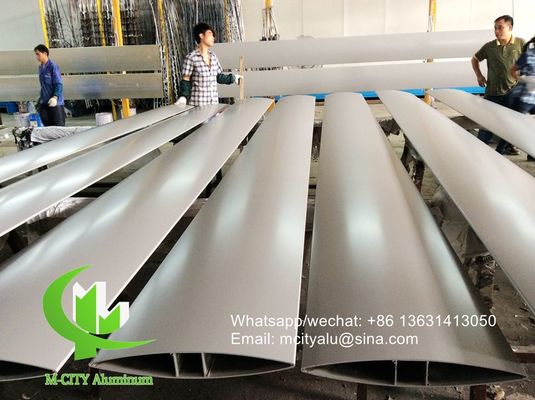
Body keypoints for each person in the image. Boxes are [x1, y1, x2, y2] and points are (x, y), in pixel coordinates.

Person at [471, 15, 525, 155]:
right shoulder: (489, 47)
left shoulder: (520, 44)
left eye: (500, 27)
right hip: (492, 93)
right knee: (486, 127)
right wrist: (479, 75)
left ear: (510, 27)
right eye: (495, 28)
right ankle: (478, 152)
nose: (496, 31)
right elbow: (475, 59)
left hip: (512, 92)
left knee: (511, 124)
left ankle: (508, 146)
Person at [176, 23, 242, 106]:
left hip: (213, 105)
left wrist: (233, 78)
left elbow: (218, 77)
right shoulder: (191, 58)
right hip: (198, 105)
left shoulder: (213, 57)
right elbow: (186, 79)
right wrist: (183, 96)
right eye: (210, 34)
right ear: (201, 36)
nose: (213, 37)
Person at [34, 44, 65, 127]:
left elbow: (58, 84)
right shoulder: (41, 67)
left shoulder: (53, 66)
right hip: (45, 102)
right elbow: (43, 86)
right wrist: (40, 100)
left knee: (58, 128)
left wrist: (55, 97)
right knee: (48, 128)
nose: (36, 57)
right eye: (36, 55)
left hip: (55, 103)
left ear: (45, 53)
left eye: (38, 54)